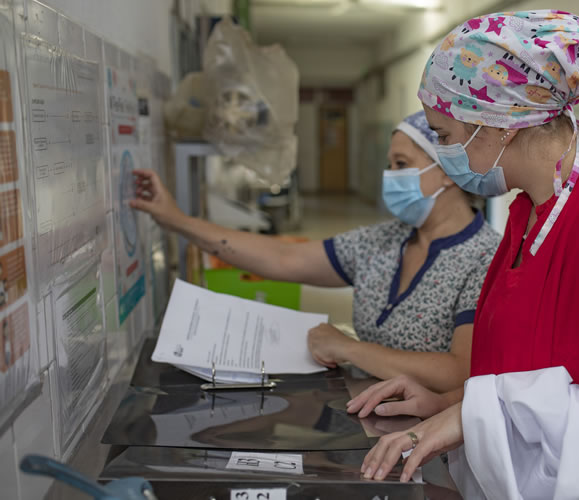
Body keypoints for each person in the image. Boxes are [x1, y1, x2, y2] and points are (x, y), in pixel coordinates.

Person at [347, 10, 579, 499]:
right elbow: (524, 375)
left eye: (444, 136)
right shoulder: (527, 211)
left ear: (499, 125)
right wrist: (447, 403)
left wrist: (473, 419)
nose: (443, 154)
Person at [131, 110, 500, 393]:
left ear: (449, 170)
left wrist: (349, 349)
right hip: (370, 412)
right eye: (389, 165)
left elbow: (459, 371)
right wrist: (176, 220)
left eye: (401, 165)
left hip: (433, 439)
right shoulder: (385, 241)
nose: (390, 176)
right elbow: (284, 258)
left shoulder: (486, 259)